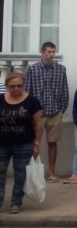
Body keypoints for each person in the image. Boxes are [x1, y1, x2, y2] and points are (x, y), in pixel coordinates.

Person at [25, 41, 68, 182]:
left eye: (53, 52)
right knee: (35, 142)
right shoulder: (33, 69)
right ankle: (33, 172)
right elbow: (27, 91)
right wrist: (30, 112)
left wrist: (62, 109)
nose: (51, 54)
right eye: (49, 52)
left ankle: (52, 172)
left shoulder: (61, 69)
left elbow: (64, 90)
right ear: (42, 53)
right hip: (38, 113)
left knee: (52, 143)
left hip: (55, 112)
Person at [0, 72, 43, 214]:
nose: (16, 88)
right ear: (6, 86)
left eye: (19, 85)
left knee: (20, 175)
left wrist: (36, 143)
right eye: (12, 86)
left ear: (24, 85)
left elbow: (38, 124)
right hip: (2, 144)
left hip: (24, 144)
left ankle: (16, 202)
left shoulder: (32, 101)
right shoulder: (0, 99)